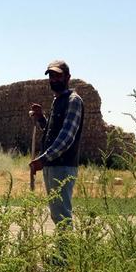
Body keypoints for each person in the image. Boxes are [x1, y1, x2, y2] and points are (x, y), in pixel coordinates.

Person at [29, 60, 84, 231]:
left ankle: (65, 256)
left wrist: (43, 159)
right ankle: (63, 253)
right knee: (57, 213)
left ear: (68, 77)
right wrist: (40, 118)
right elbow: (51, 132)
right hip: (53, 165)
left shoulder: (73, 100)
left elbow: (66, 137)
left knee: (61, 214)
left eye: (57, 76)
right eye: (51, 76)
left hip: (62, 166)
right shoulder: (58, 100)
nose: (53, 80)